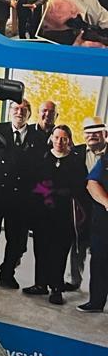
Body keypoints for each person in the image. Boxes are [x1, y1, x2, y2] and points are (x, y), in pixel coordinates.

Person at [0, 98, 44, 288]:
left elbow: (39, 172)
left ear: (29, 114)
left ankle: (7, 274)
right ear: (9, 111)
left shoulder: (38, 139)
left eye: (23, 110)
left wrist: (34, 198)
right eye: (16, 108)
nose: (19, 112)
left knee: (15, 239)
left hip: (21, 200)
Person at [25, 125, 82, 304]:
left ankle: (56, 288)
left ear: (69, 140)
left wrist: (57, 192)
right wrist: (45, 192)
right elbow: (33, 181)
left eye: (63, 138)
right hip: (42, 212)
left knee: (59, 252)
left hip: (63, 215)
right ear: (51, 138)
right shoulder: (42, 157)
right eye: (56, 137)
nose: (59, 141)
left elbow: (78, 187)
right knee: (41, 248)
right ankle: (40, 284)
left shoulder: (75, 161)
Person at [70, 118, 108, 291]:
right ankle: (74, 280)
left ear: (104, 134)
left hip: (103, 209)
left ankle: (99, 291)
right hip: (81, 207)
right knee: (78, 244)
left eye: (96, 131)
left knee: (101, 252)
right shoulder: (75, 152)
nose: (91, 135)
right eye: (88, 131)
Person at [77, 144, 108, 315]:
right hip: (104, 222)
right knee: (99, 261)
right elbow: (92, 183)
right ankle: (96, 301)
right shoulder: (106, 160)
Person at [39, 0, 108, 45]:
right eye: (69, 21)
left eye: (73, 9)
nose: (75, 14)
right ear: (47, 27)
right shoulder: (44, 41)